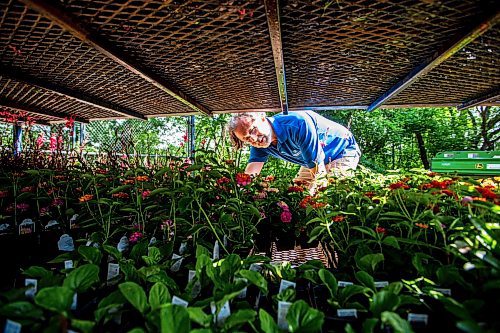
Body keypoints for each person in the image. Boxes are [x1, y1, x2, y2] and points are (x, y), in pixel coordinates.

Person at [227, 111, 361, 193]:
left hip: (341, 149)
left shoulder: (297, 124)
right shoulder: (259, 144)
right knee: (296, 195)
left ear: (262, 117)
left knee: (332, 195)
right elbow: (249, 178)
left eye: (253, 130)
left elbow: (319, 175)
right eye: (247, 139)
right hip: (312, 158)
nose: (255, 139)